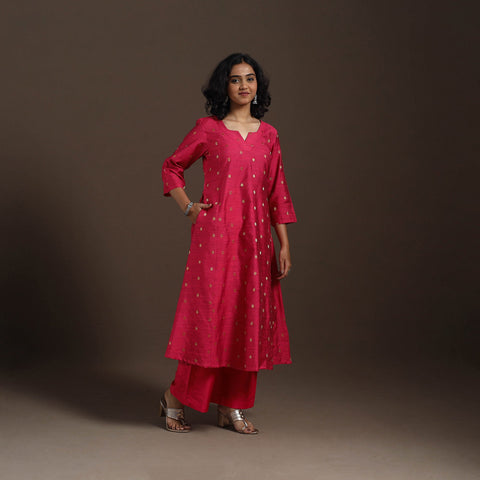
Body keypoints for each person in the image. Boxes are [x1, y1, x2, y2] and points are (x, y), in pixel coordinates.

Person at [160, 53, 297, 434]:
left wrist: (284, 244)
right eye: (235, 79)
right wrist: (189, 208)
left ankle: (232, 406)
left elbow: (277, 192)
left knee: (247, 319)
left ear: (258, 86)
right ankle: (175, 397)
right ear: (225, 87)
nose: (243, 86)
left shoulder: (269, 135)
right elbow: (171, 167)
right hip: (215, 239)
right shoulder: (209, 129)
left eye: (250, 79)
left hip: (256, 242)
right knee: (208, 320)